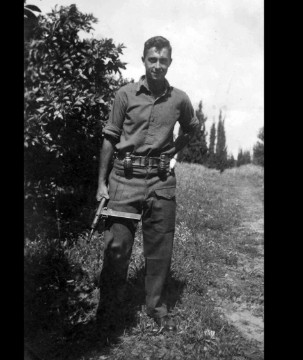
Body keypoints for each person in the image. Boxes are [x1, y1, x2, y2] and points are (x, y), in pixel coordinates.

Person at [95, 36, 199, 331]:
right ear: (143, 60)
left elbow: (191, 128)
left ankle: (156, 307)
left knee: (160, 249)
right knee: (116, 250)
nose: (157, 66)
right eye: (152, 60)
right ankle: (108, 312)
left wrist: (173, 151)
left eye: (162, 60)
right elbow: (109, 137)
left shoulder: (179, 99)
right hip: (124, 180)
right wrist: (101, 184)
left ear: (169, 62)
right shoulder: (125, 94)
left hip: (161, 181)